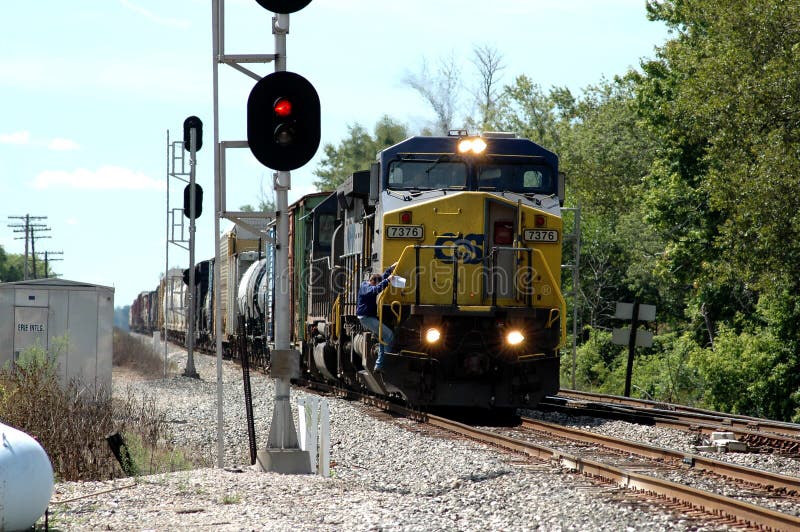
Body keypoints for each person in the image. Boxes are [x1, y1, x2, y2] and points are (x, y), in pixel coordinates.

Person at [356, 262, 397, 372]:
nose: (378, 287)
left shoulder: (372, 283)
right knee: (389, 335)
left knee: (383, 338)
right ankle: (386, 362)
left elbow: (382, 278)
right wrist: (387, 281)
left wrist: (391, 268)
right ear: (373, 282)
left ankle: (379, 365)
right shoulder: (365, 287)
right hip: (366, 318)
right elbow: (375, 290)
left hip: (369, 317)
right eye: (377, 284)